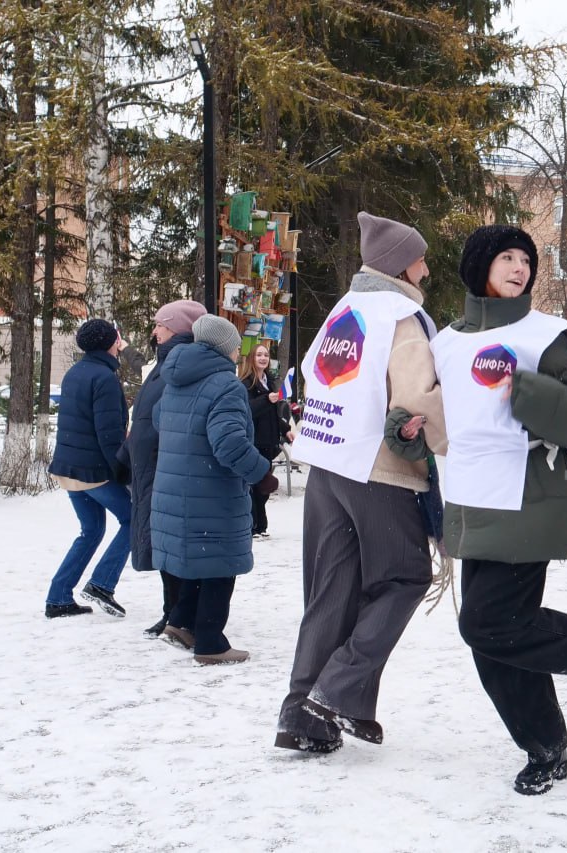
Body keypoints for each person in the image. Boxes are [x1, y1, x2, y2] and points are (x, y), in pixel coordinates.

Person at [431, 224, 567, 796]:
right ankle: (544, 746)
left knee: (486, 624)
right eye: (506, 257)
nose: (519, 268)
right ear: (478, 266)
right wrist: (409, 427)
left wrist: (529, 393)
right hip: (469, 496)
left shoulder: (545, 334)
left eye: (525, 260)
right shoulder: (446, 340)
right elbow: (444, 411)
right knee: (493, 638)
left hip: (528, 496)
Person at [275, 211, 447, 754]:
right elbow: (418, 397)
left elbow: (312, 373)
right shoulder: (403, 316)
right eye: (420, 257)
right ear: (402, 264)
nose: (427, 266)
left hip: (327, 466)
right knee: (404, 577)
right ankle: (338, 689)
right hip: (380, 470)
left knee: (331, 594)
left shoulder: (345, 309)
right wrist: (450, 438)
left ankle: (303, 716)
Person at [151, 314, 271, 664]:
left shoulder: (176, 377)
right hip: (212, 492)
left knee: (199, 561)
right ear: (224, 347)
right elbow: (230, 444)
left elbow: (160, 419)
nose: (239, 352)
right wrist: (261, 473)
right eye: (236, 345)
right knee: (220, 566)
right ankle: (211, 643)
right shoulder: (225, 384)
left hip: (179, 488)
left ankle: (181, 622)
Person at [117, 299, 207, 637]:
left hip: (166, 468)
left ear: (178, 329)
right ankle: (173, 612)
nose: (155, 331)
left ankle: (180, 615)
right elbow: (144, 416)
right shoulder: (164, 362)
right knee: (162, 545)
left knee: (171, 545)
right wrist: (126, 456)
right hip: (151, 468)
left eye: (161, 325)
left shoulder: (179, 364)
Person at [44, 318, 132, 619]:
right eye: (118, 338)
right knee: (135, 519)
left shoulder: (75, 373)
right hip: (92, 472)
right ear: (110, 343)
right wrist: (123, 471)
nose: (120, 342)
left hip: (69, 468)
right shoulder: (104, 378)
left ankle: (58, 598)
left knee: (92, 530)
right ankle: (102, 584)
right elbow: (109, 435)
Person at [238, 343, 293, 538]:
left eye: (266, 355)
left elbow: (273, 413)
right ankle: (253, 525)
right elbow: (247, 410)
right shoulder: (246, 383)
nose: (263, 358)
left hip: (268, 441)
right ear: (252, 358)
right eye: (259, 355)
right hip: (254, 441)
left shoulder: (268, 381)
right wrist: (265, 400)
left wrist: (286, 430)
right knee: (254, 485)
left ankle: (261, 525)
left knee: (265, 486)